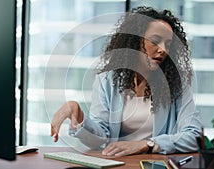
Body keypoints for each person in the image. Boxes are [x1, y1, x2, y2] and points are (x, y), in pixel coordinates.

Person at [51, 6, 202, 157]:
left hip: (155, 165)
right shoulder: (106, 81)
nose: (163, 49)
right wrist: (79, 116)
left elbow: (194, 136)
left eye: (168, 44)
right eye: (155, 41)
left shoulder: (176, 84)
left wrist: (147, 144)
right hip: (117, 163)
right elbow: (99, 139)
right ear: (134, 41)